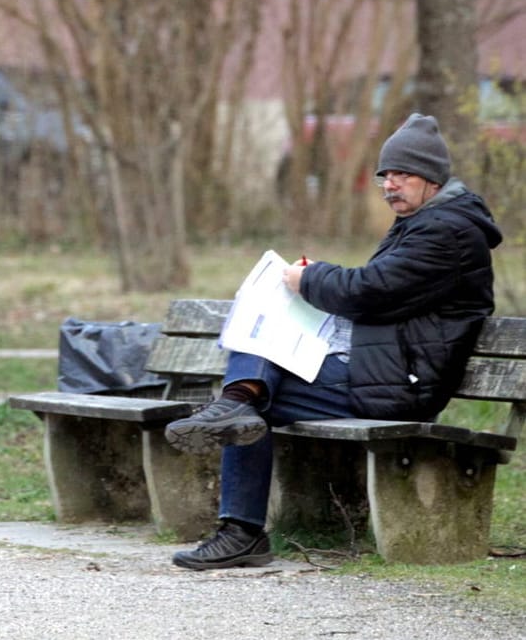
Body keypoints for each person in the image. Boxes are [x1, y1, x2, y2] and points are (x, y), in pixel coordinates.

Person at [163, 112, 501, 569]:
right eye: (385, 175)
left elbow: (369, 291)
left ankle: (241, 523)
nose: (389, 185)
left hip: (402, 387)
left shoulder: (448, 233)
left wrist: (310, 278)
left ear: (432, 179)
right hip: (383, 370)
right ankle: (237, 412)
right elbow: (381, 293)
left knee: (255, 390)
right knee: (258, 362)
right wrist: (312, 288)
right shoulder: (428, 223)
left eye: (402, 175)